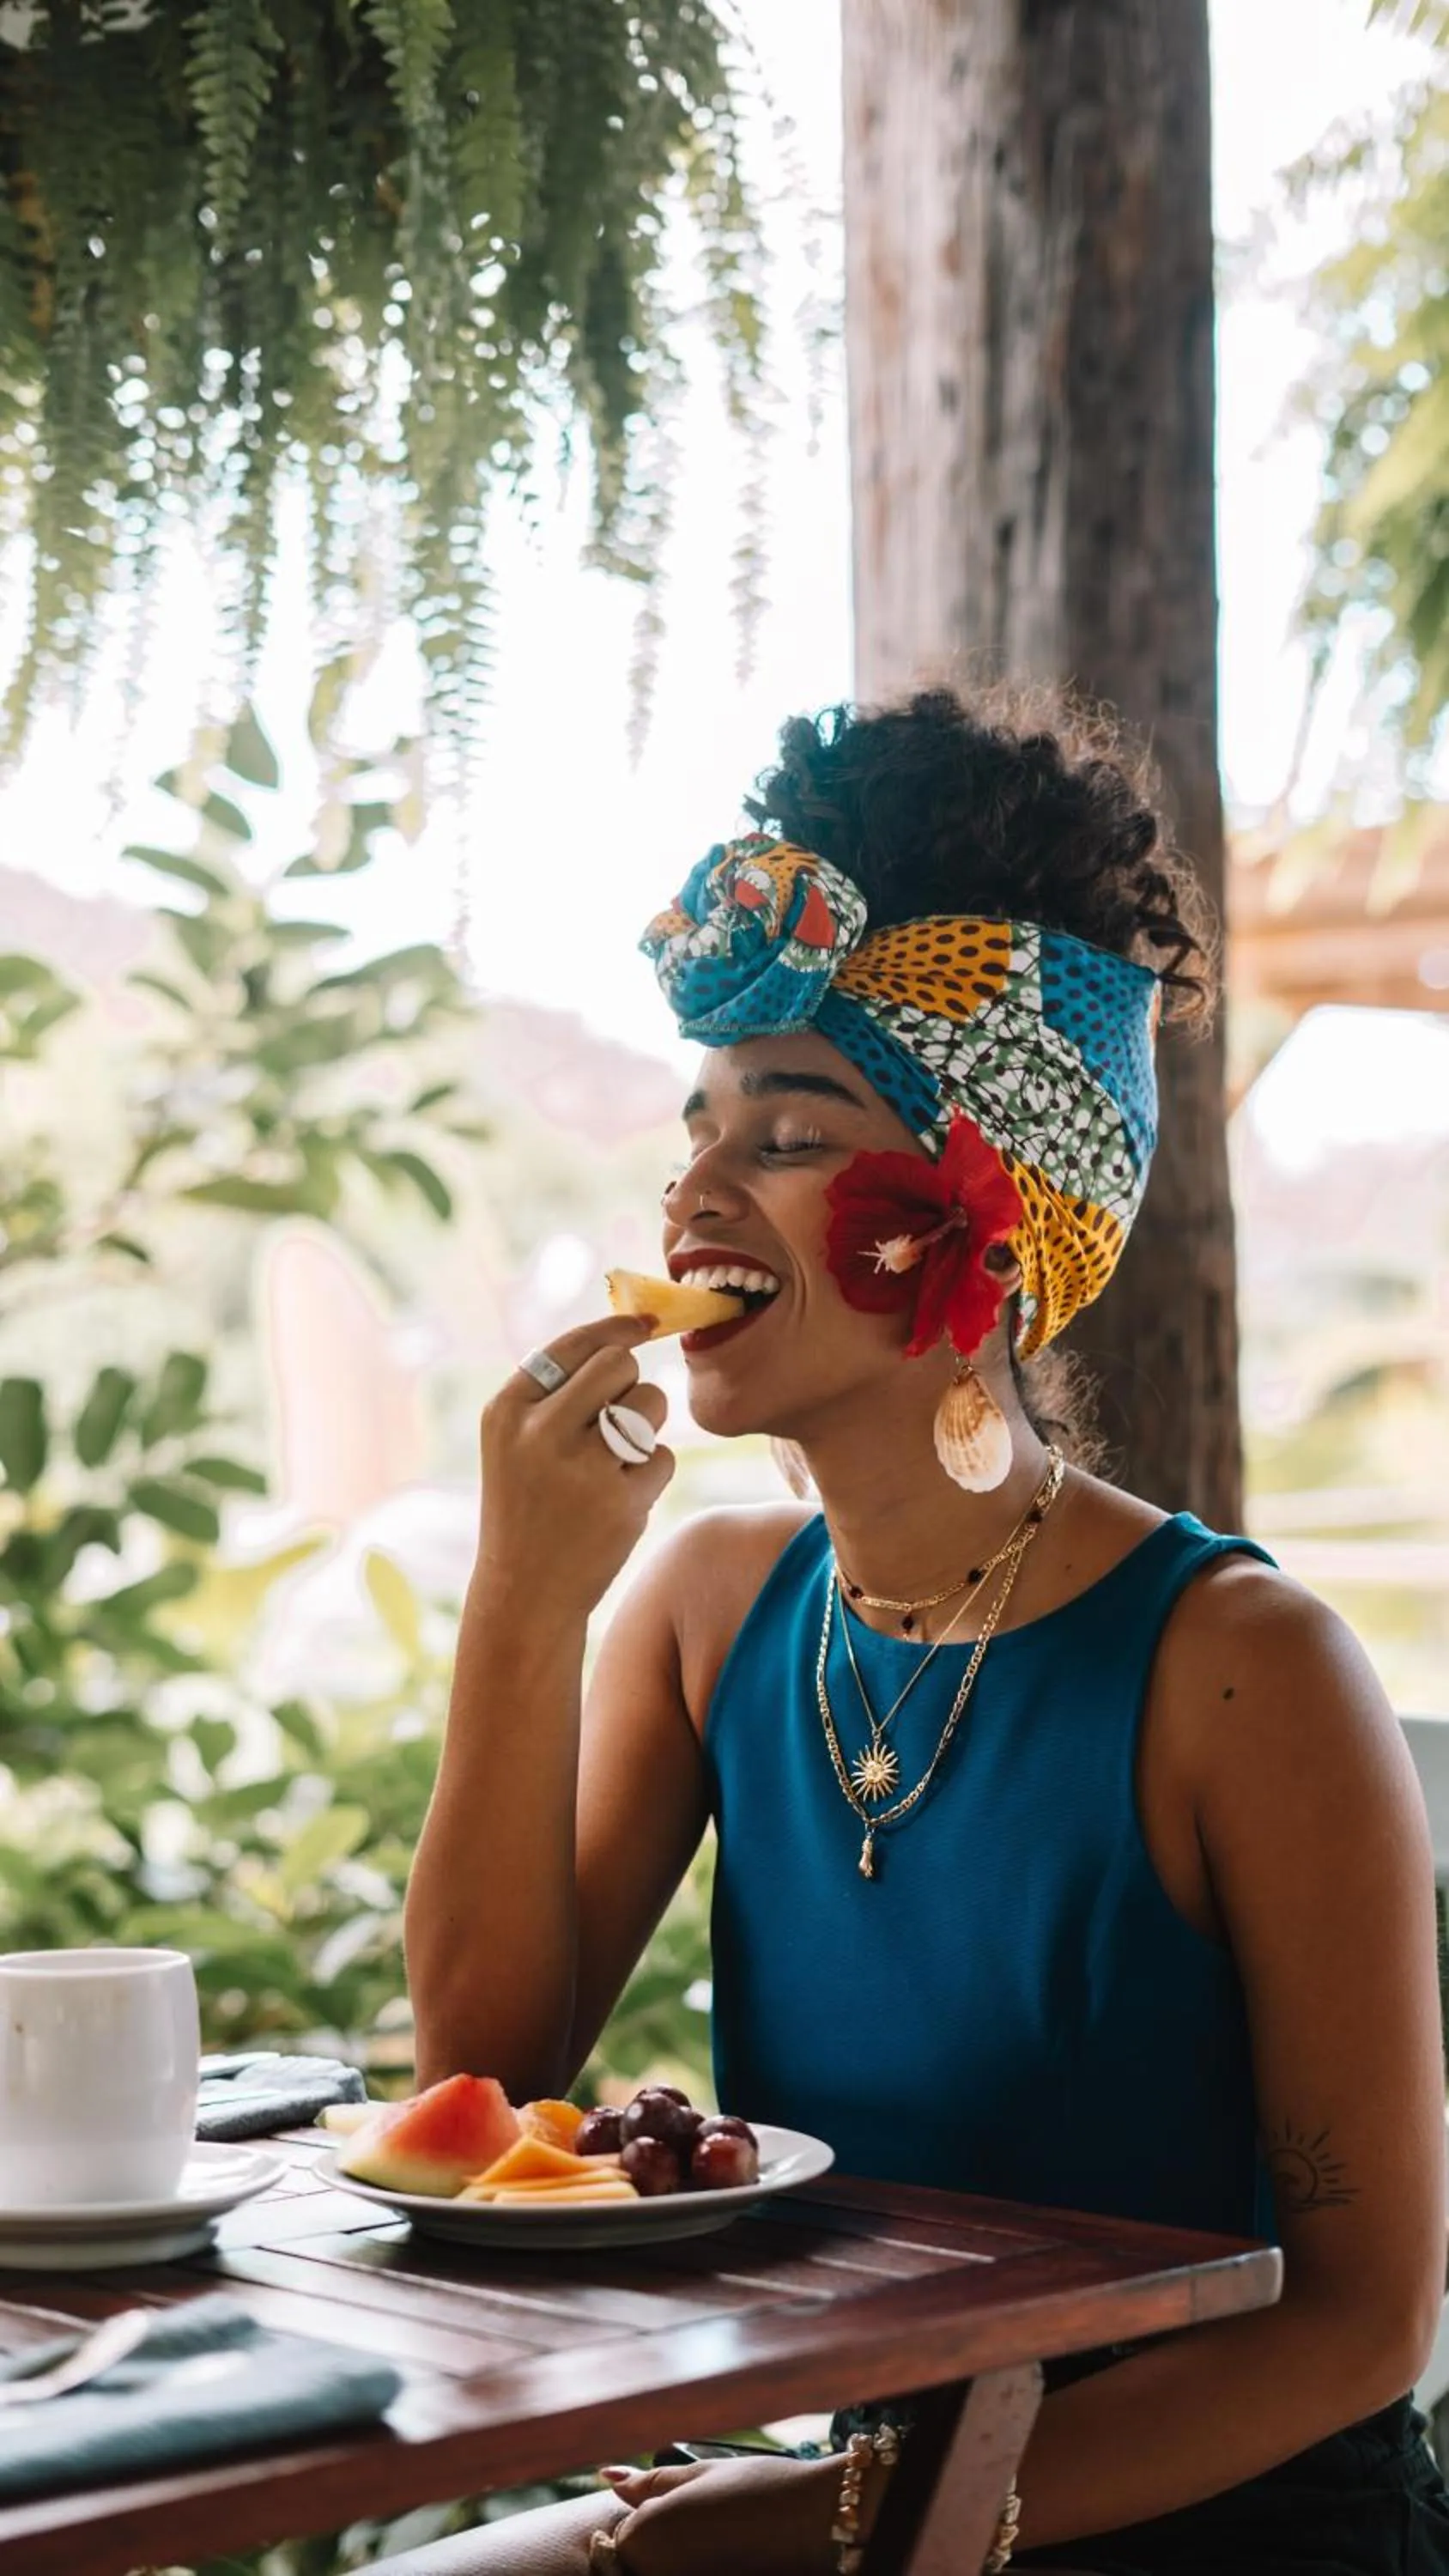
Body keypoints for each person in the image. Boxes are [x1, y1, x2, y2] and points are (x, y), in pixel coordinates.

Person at [398, 685, 1449, 2576]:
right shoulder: (713, 1611)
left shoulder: (1240, 1671)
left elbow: (1360, 2325)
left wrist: (827, 2525)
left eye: (790, 1132)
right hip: (853, 2523)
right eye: (698, 1120)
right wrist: (521, 1603)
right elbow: (480, 2079)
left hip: (1217, 2535)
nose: (696, 1191)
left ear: (993, 1219)